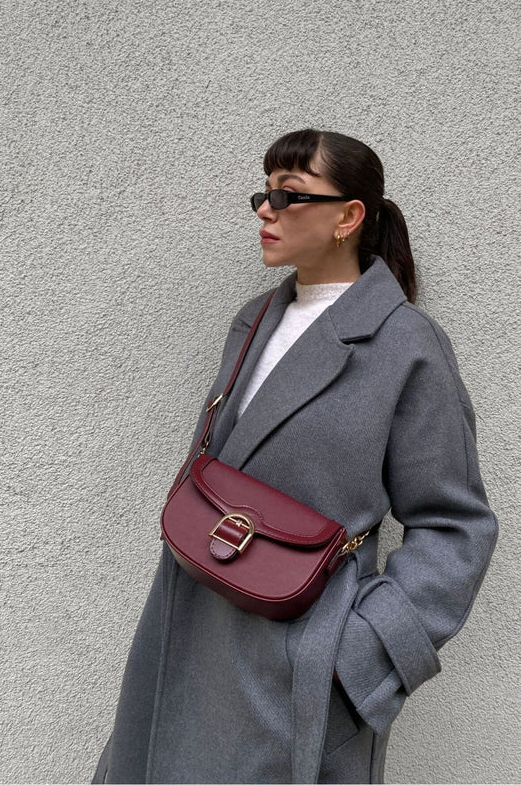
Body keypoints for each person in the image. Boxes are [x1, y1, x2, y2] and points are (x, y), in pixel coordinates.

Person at [92, 129, 498, 784]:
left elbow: (455, 525)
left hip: (299, 666)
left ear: (348, 217)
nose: (265, 208)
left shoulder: (406, 347)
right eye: (264, 191)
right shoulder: (253, 321)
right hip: (186, 632)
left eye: (291, 194)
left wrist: (358, 653)